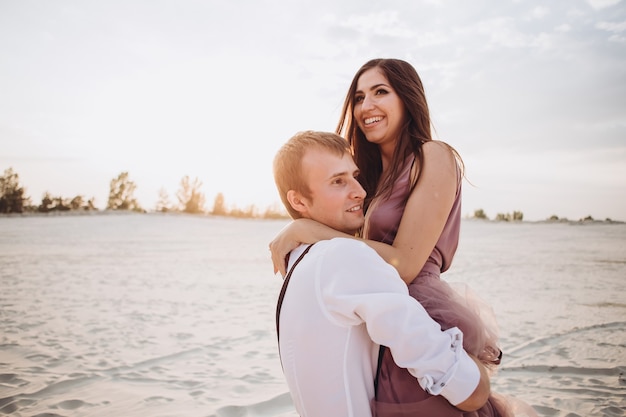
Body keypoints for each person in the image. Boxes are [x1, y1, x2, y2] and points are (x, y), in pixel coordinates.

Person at [270, 59, 537, 417]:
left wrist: (308, 229)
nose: (367, 106)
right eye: (359, 97)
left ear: (407, 98)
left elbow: (407, 265)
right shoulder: (372, 178)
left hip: (419, 313)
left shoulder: (433, 155)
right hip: (383, 320)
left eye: (381, 92)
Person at [273, 130, 491, 417]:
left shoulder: (297, 265)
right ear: (299, 201)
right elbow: (465, 388)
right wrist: (477, 378)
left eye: (354, 176)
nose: (360, 192)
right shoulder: (344, 257)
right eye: (338, 182)